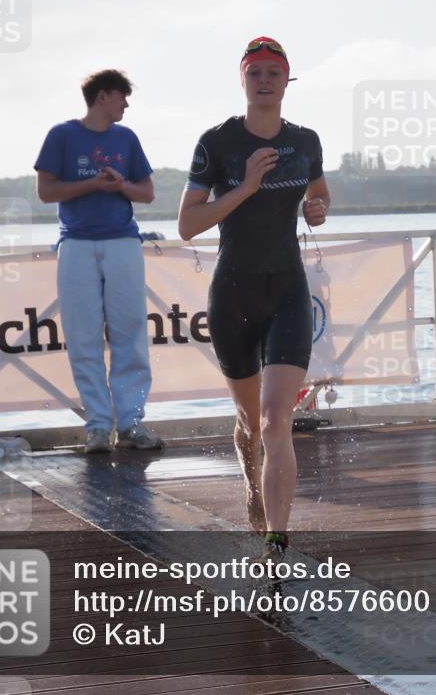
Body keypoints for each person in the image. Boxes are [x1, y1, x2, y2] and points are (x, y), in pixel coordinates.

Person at [177, 37, 330, 556]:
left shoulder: (306, 140)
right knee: (250, 424)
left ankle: (276, 542)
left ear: (288, 80)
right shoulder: (216, 143)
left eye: (273, 72)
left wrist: (317, 208)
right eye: (255, 73)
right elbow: (186, 226)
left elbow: (318, 190)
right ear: (242, 81)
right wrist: (242, 188)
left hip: (287, 288)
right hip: (234, 295)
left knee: (275, 419)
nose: (264, 80)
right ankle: (251, 485)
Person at [35, 69, 164, 453]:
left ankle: (131, 422)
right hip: (75, 244)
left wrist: (121, 186)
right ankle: (97, 427)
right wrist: (93, 184)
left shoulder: (126, 138)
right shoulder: (62, 134)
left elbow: (148, 193)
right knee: (83, 336)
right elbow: (46, 191)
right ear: (104, 96)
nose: (126, 104)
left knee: (130, 332)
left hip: (123, 242)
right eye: (122, 97)